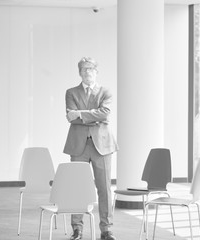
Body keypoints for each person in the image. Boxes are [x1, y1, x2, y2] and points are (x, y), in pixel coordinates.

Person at [64, 57, 119, 240]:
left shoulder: (105, 92)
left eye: (90, 69)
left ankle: (106, 230)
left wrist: (80, 113)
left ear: (96, 71)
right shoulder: (71, 92)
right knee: (77, 187)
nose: (87, 72)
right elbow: (71, 118)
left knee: (104, 188)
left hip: (102, 146)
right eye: (84, 69)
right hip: (78, 145)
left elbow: (105, 115)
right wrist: (93, 116)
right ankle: (77, 229)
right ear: (79, 73)